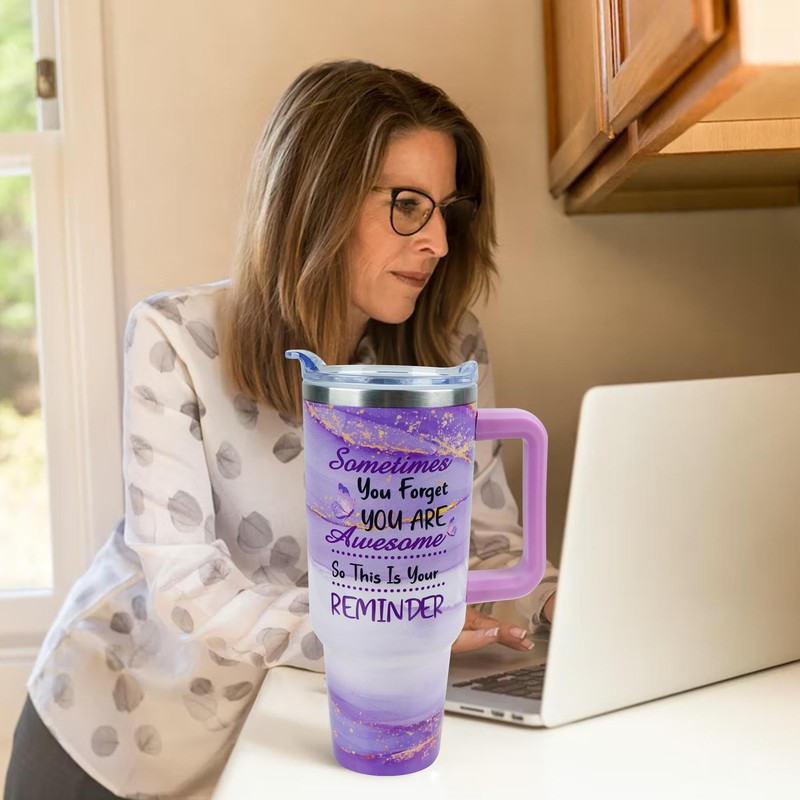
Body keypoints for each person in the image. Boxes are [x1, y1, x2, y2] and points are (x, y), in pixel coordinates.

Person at [4, 59, 558, 800]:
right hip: (114, 733)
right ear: (314, 199)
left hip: (278, 739)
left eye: (445, 211)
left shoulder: (447, 355)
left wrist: (553, 597)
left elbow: (487, 544)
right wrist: (381, 626)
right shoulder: (173, 339)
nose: (439, 243)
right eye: (405, 205)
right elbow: (189, 588)